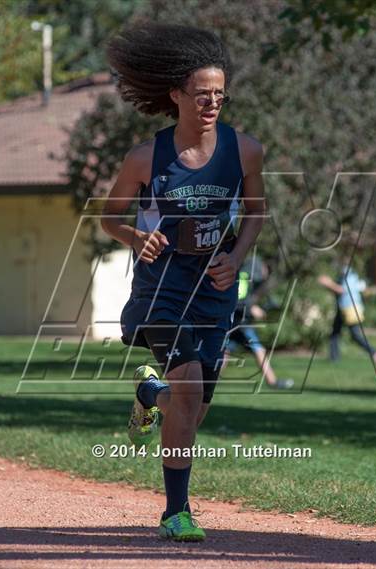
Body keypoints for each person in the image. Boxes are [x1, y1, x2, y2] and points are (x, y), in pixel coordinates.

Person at [102, 22, 265, 542]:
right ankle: (176, 512)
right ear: (176, 95)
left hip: (214, 287)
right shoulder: (146, 158)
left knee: (192, 407)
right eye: (202, 94)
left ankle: (151, 393)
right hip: (163, 289)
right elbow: (108, 217)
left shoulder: (245, 151)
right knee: (190, 394)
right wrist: (135, 238)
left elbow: (257, 213)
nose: (212, 102)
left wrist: (236, 257)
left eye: (219, 93)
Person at [221, 254, 294, 389]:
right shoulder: (246, 275)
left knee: (225, 350)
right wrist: (251, 308)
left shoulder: (249, 275)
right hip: (239, 320)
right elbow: (238, 298)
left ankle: (209, 381)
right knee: (258, 348)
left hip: (234, 319)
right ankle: (272, 381)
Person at [318, 262, 376, 363]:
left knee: (355, 336)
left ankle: (374, 352)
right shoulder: (349, 276)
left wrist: (328, 283)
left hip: (350, 309)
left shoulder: (348, 277)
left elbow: (341, 290)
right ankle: (334, 358)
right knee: (335, 333)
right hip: (343, 308)